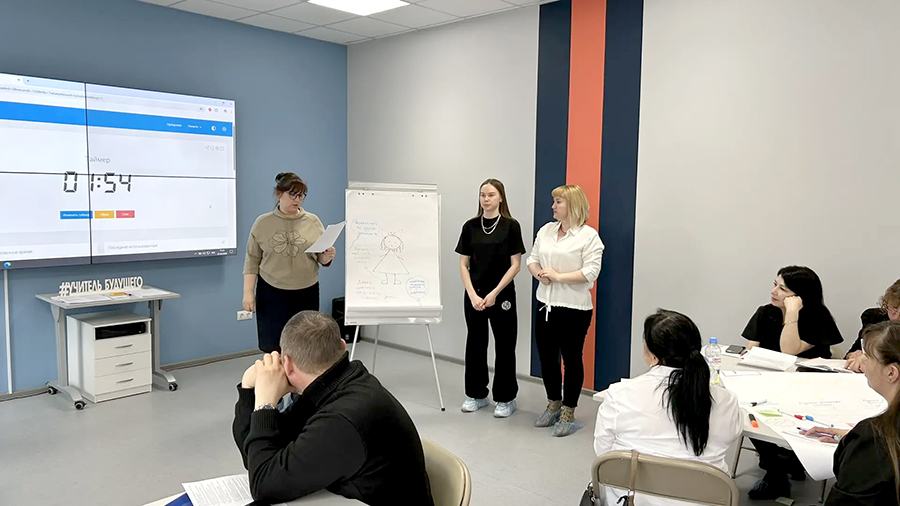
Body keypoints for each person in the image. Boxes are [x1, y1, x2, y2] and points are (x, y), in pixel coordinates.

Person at [232, 311, 434, 506]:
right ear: (342, 346)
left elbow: (263, 486)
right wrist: (249, 388)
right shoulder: (333, 385)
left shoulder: (342, 418)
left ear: (287, 364)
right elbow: (260, 455)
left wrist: (265, 403)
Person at [594, 310, 742, 506]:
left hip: (632, 499)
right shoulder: (726, 400)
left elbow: (603, 454)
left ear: (653, 356)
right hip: (705, 499)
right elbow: (730, 437)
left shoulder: (620, 395)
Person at [742, 265, 844, 499]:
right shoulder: (765, 312)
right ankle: (778, 468)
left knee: (771, 412)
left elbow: (789, 350)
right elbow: (751, 351)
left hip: (809, 389)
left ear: (800, 296)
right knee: (746, 411)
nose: (774, 291)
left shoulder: (817, 317)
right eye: (774, 284)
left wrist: (792, 315)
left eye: (783, 289)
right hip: (769, 383)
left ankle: (783, 465)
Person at [527, 184, 604, 437]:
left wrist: (558, 277)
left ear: (573, 205)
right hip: (545, 304)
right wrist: (539, 273)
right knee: (547, 357)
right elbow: (532, 259)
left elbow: (591, 272)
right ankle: (553, 403)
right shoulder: (546, 230)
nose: (553, 206)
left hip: (574, 309)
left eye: (558, 202)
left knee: (571, 359)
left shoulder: (589, 236)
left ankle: (569, 410)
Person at [801, 320, 900, 505]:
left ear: (891, 373)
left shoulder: (873, 439)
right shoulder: (877, 435)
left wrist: (859, 442)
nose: (862, 362)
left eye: (868, 356)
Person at [455, 179, 526, 417]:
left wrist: (494, 292)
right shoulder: (470, 226)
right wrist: (472, 294)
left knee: (505, 345)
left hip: (501, 295)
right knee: (475, 344)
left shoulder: (511, 226)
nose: (486, 199)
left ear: (500, 197)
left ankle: (505, 398)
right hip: (474, 295)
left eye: (491, 195)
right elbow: (463, 264)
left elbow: (516, 265)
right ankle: (476, 394)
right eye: (482, 195)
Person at [242, 172, 336, 353]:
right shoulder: (262, 223)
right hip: (272, 292)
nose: (297, 200)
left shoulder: (313, 221)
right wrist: (248, 293)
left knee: (306, 343)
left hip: (306, 291)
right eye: (293, 194)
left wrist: (327, 256)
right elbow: (252, 260)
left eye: (301, 195)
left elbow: (320, 257)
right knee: (274, 344)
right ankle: (276, 370)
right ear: (279, 194)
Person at [845, 279, 900, 373]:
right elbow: (851, 353)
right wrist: (855, 355)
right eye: (893, 309)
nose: (896, 317)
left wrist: (873, 359)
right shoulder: (875, 319)